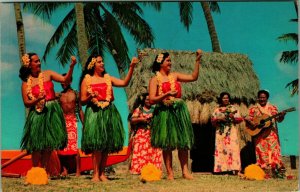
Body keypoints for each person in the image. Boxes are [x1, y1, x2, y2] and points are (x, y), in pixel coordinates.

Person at [79, 54, 139, 182]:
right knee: (97, 144)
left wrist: (131, 67)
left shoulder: (108, 78)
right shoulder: (87, 80)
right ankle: (95, 174)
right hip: (94, 112)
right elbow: (82, 101)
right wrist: (91, 97)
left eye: (102, 62)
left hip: (108, 112)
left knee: (106, 144)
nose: (103, 64)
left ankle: (102, 173)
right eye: (100, 62)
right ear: (93, 64)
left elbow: (124, 83)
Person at [148, 49, 202, 180]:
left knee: (183, 142)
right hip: (164, 111)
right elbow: (151, 99)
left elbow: (193, 77)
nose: (170, 63)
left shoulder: (175, 76)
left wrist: (198, 60)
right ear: (160, 63)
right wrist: (166, 95)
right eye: (168, 60)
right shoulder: (155, 80)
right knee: (167, 143)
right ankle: (170, 173)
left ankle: (185, 171)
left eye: (170, 60)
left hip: (179, 109)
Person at [19, 52, 76, 173]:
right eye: (36, 61)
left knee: (48, 144)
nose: (39, 63)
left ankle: (44, 171)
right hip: (37, 113)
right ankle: (35, 171)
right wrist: (37, 99)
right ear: (29, 65)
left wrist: (71, 66)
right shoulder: (25, 83)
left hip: (52, 111)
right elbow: (26, 102)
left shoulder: (48, 74)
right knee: (36, 145)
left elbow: (65, 79)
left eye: (39, 60)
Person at [246, 90, 286, 178]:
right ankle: (263, 171)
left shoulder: (273, 108)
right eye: (260, 97)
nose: (262, 99)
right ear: (258, 98)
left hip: (271, 134)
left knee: (273, 151)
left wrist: (282, 115)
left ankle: (275, 170)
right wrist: (252, 122)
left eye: (264, 97)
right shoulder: (253, 108)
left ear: (267, 98)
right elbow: (248, 118)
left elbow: (279, 120)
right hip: (259, 134)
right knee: (260, 151)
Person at [56, 73, 84, 177]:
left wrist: (84, 124)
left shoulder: (76, 94)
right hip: (62, 122)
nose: (63, 83)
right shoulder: (59, 96)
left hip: (72, 120)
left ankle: (78, 171)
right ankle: (65, 170)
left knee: (73, 147)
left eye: (65, 80)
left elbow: (80, 110)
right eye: (61, 81)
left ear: (70, 81)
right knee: (62, 148)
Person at [129, 93, 162, 174]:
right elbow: (132, 120)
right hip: (141, 134)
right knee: (140, 151)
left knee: (154, 151)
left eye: (150, 99)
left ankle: (153, 170)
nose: (148, 101)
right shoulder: (139, 109)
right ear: (144, 100)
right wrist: (141, 119)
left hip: (153, 133)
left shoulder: (156, 109)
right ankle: (139, 170)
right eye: (146, 99)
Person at [211, 92, 243, 175]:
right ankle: (223, 170)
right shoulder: (217, 110)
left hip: (231, 132)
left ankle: (235, 169)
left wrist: (233, 117)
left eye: (227, 98)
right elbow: (213, 121)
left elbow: (239, 119)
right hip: (220, 133)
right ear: (221, 99)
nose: (226, 99)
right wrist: (219, 120)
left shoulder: (233, 108)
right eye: (224, 98)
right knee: (222, 149)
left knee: (233, 149)